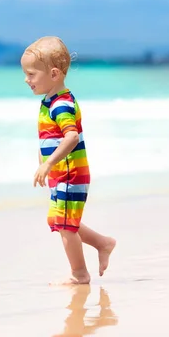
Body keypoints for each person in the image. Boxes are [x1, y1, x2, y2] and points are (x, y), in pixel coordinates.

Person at [20, 36, 116, 285]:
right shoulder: (50, 101)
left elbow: (71, 136)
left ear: (53, 74)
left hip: (69, 173)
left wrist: (48, 163)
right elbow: (49, 138)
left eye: (31, 74)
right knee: (60, 220)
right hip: (61, 173)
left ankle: (79, 274)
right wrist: (44, 163)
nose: (26, 80)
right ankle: (102, 243)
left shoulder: (61, 104)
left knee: (65, 225)